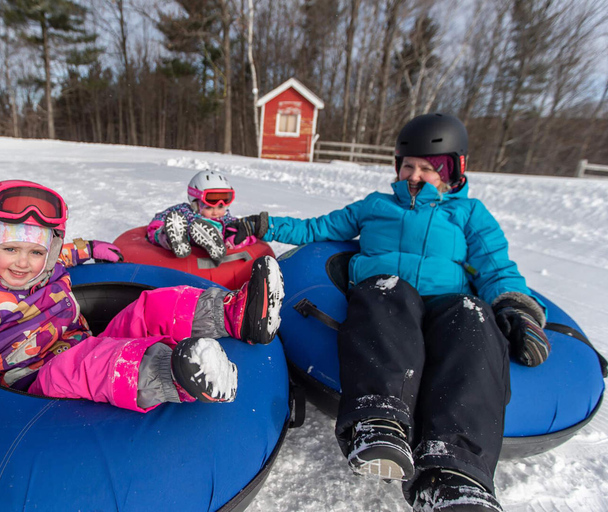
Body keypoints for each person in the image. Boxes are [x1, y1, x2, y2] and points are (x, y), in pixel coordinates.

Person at [228, 113, 550, 512]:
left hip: (444, 305)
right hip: (388, 300)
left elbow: (496, 266)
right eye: (409, 166)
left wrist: (518, 311)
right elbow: (318, 228)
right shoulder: (375, 206)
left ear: (453, 172)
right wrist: (264, 224)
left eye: (430, 169)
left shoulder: (468, 214)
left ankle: (455, 475)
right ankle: (379, 422)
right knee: (385, 290)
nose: (416, 175)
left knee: (473, 315)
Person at [0, 180, 284, 467]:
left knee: (148, 307)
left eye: (36, 252)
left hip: (80, 339)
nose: (23, 263)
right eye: (9, 248)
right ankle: (177, 372)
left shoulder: (45, 268)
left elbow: (62, 253)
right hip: (36, 378)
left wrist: (88, 249)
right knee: (91, 362)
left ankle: (235, 313)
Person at [147, 169, 260, 264]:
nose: (215, 212)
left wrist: (236, 239)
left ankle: (213, 241)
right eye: (209, 208)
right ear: (195, 203)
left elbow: (244, 233)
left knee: (234, 232)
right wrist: (157, 229)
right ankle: (173, 240)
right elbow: (160, 217)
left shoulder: (227, 220)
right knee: (166, 231)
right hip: (183, 237)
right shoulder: (182, 210)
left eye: (220, 207)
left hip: (214, 240)